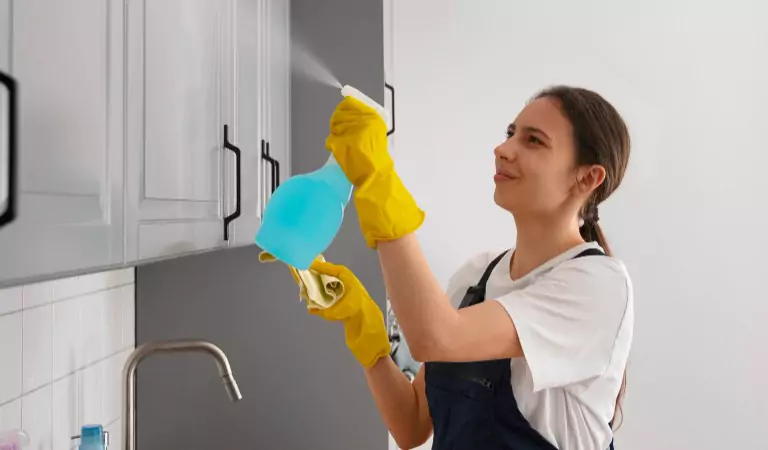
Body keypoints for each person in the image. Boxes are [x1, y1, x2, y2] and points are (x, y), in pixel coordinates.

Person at [292, 85, 634, 450]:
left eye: (533, 140)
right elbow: (411, 424)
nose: (503, 149)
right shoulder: (478, 276)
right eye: (510, 133)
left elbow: (436, 336)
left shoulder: (597, 285)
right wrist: (362, 325)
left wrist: (379, 184)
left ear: (587, 178)